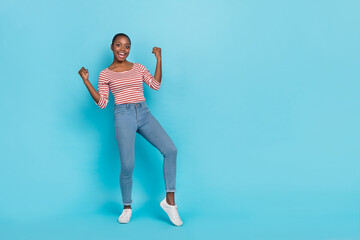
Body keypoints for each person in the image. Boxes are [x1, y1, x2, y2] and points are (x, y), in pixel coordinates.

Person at [78, 33, 183, 226]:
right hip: (123, 115)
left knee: (171, 150)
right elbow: (102, 103)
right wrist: (86, 81)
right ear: (112, 47)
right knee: (128, 165)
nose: (123, 49)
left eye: (127, 46)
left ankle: (170, 203)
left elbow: (156, 85)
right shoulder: (105, 74)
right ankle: (127, 207)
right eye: (119, 45)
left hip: (143, 113)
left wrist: (159, 59)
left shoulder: (139, 68)